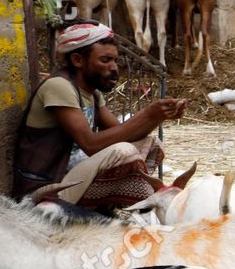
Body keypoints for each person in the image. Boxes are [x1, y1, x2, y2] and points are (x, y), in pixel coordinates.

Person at [13, 22, 184, 208]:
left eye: (115, 61)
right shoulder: (59, 86)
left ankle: (119, 207)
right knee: (123, 151)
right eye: (105, 60)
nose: (114, 68)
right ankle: (145, 207)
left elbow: (123, 133)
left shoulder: (92, 93)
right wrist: (147, 113)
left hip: (72, 176)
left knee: (149, 143)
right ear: (77, 60)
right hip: (45, 189)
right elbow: (90, 144)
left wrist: (158, 116)